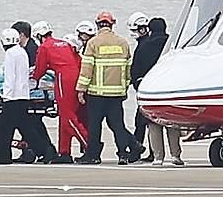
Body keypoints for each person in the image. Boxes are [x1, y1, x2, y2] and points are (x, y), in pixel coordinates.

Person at [75, 12, 144, 165]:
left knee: (95, 126)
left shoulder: (93, 43)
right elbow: (128, 71)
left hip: (96, 94)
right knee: (118, 125)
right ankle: (123, 154)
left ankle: (93, 156)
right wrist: (124, 88)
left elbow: (87, 69)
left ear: (98, 24)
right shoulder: (123, 43)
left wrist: (81, 89)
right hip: (116, 94)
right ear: (112, 24)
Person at [32, 21, 88, 164]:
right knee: (64, 117)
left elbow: (40, 69)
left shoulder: (45, 47)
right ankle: (64, 152)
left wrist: (33, 79)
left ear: (38, 35)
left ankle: (89, 146)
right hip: (75, 76)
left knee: (68, 117)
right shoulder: (63, 43)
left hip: (64, 78)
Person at [0, 28, 50, 164]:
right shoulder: (21, 52)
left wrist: (5, 96)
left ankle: (3, 157)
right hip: (23, 96)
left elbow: (10, 78)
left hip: (12, 97)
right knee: (26, 127)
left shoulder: (10, 54)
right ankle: (46, 152)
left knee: (4, 129)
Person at [139, 18, 184, 166]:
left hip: (151, 90)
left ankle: (158, 157)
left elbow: (135, 70)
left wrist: (138, 85)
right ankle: (175, 155)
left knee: (153, 125)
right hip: (171, 89)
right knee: (172, 124)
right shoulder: (173, 45)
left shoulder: (144, 46)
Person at [128, 12, 154, 163]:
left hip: (145, 88)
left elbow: (138, 67)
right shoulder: (146, 44)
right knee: (143, 123)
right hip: (145, 87)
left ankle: (137, 151)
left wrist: (135, 80)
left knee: (142, 122)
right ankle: (148, 151)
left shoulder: (144, 46)